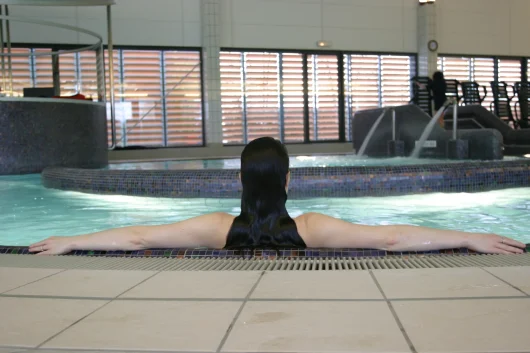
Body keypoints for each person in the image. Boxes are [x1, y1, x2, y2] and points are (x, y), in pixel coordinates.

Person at [30, 137, 525, 256]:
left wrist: (73, 241)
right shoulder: (310, 228)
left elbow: (139, 237)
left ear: (240, 183)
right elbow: (392, 238)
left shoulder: (216, 227)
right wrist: (469, 237)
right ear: (288, 181)